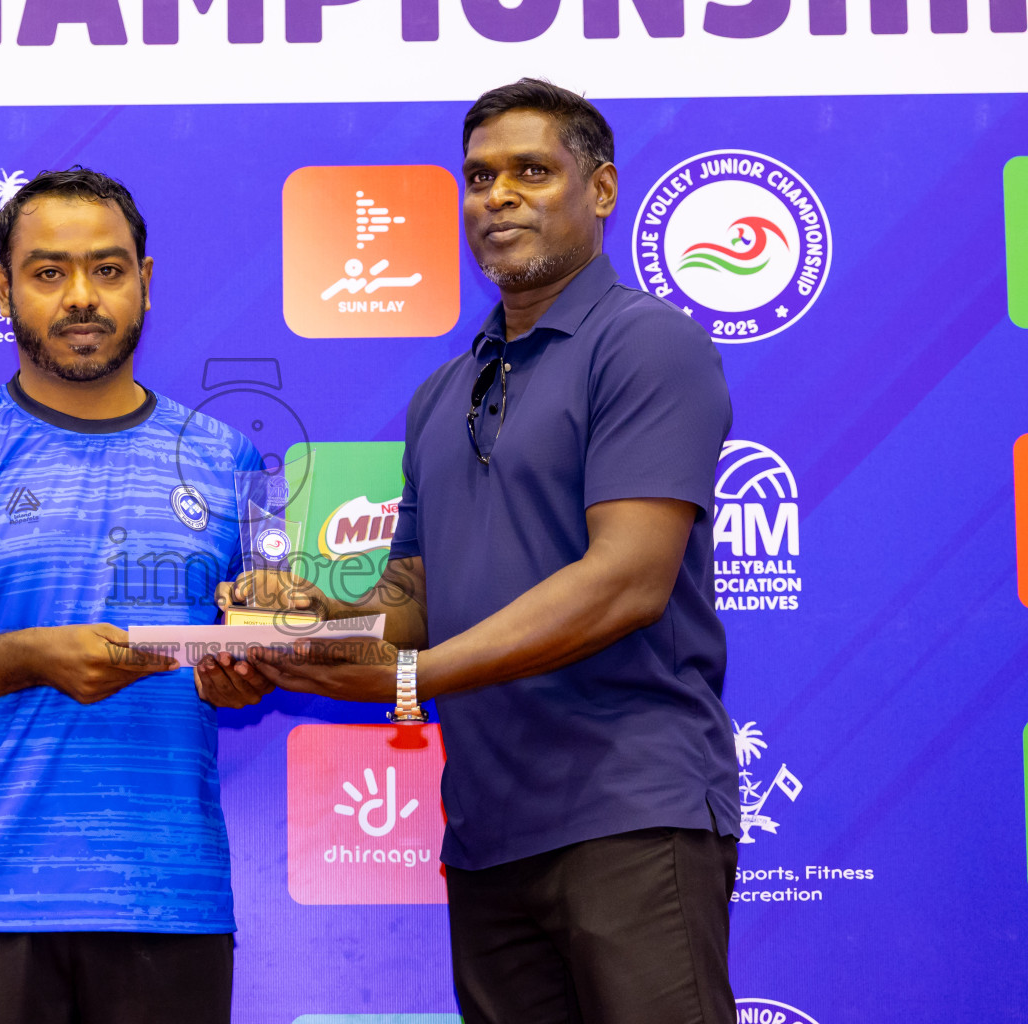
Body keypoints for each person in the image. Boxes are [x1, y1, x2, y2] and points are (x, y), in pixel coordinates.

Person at [206, 80, 741, 1024]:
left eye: (532, 171)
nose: (498, 196)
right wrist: (306, 620)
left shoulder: (648, 345)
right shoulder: (441, 393)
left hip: (631, 812)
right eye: (480, 177)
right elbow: (412, 598)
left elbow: (627, 581)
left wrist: (413, 679)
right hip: (487, 834)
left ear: (603, 188)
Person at [0, 168, 262, 1024]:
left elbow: (252, 642)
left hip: (167, 904)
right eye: (48, 272)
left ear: (147, 280)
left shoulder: (225, 457)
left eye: (108, 270)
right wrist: (32, 656)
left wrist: (248, 668)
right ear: (2, 289)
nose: (81, 297)